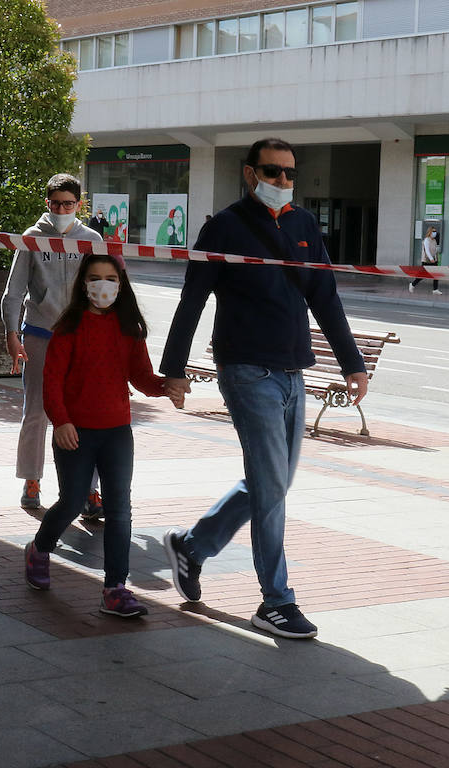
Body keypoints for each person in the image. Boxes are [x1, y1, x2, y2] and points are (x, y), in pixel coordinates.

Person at [158, 137, 368, 639]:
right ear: (250, 174)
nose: (283, 182)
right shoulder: (224, 227)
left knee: (272, 484)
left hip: (294, 370)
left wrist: (351, 363)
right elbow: (192, 302)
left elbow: (325, 297)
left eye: (290, 174)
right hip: (247, 370)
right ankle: (276, 601)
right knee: (272, 488)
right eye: (273, 173)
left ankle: (192, 545)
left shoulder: (303, 225)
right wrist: (174, 369)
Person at [24, 253, 175, 616]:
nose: (103, 285)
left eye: (110, 278)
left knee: (120, 510)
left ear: (120, 285)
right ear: (84, 284)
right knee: (72, 502)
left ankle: (115, 588)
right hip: (74, 432)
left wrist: (165, 387)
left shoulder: (129, 328)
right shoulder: (69, 326)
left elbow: (140, 376)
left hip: (117, 432)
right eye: (95, 278)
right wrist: (61, 422)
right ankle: (39, 549)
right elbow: (52, 380)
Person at [1, 173, 105, 515]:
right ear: (48, 203)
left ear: (79, 205)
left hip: (81, 339)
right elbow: (13, 293)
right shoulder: (32, 239)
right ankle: (31, 480)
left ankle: (89, 490)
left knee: (85, 415)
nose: (62, 209)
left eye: (69, 203)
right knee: (37, 412)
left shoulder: (90, 239)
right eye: (56, 203)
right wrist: (12, 334)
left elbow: (105, 288)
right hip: (41, 335)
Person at [409, 226, 441, 294]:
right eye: (433, 231)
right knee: (422, 275)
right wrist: (431, 258)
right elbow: (427, 251)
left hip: (433, 260)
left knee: (436, 275)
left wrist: (435, 258)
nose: (434, 233)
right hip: (426, 260)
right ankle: (412, 284)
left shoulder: (434, 240)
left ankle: (435, 289)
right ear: (430, 232)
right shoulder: (426, 240)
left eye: (435, 231)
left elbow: (435, 250)